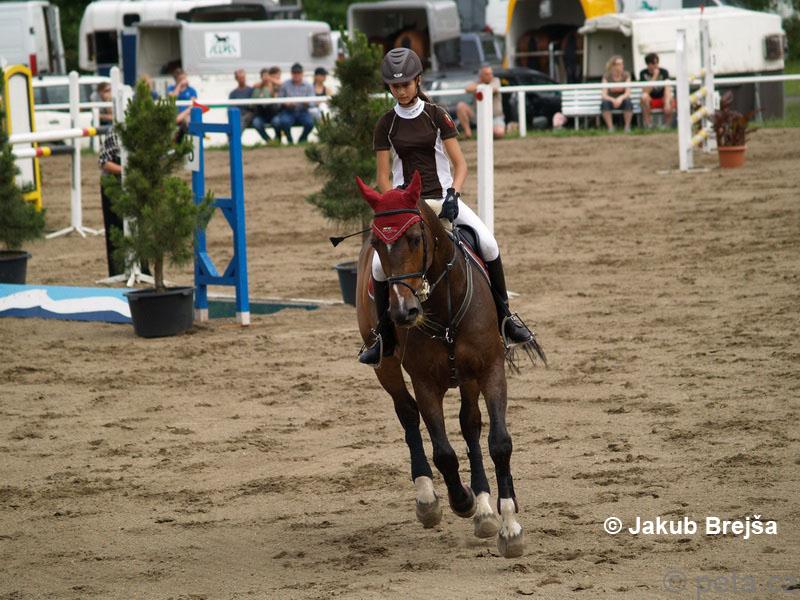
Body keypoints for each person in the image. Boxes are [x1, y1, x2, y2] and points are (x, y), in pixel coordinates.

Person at [359, 48, 534, 366]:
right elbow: (383, 177)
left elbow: (460, 164)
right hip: (407, 209)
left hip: (441, 199)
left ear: (417, 81)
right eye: (395, 87)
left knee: (489, 244)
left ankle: (506, 318)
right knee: (377, 268)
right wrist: (396, 204)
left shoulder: (437, 115)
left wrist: (454, 193)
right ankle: (384, 336)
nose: (401, 91)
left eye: (405, 85)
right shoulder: (386, 123)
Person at [97, 129, 124, 277]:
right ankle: (117, 271)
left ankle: (142, 268)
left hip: (134, 184)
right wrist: (125, 170)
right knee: (115, 228)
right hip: (113, 184)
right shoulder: (114, 132)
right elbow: (103, 162)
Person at [455, 64, 505, 139]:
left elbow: (492, 89)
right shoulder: (478, 82)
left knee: (499, 133)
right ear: (481, 76)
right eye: (487, 74)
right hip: (478, 115)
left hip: (495, 117)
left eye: (491, 73)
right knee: (461, 106)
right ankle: (468, 133)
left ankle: (487, 133)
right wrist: (480, 85)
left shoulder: (496, 80)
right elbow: (468, 88)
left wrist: (479, 87)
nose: (490, 76)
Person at [271, 63, 315, 144]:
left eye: (298, 73)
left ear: (302, 73)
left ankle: (302, 140)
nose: (296, 75)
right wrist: (286, 103)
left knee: (310, 123)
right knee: (284, 122)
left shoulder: (308, 85)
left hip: (303, 111)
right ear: (291, 73)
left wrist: (307, 103)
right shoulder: (285, 84)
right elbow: (279, 100)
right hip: (288, 111)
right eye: (294, 73)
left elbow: (312, 102)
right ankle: (290, 140)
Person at [229, 68, 271, 143]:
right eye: (240, 78)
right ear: (236, 79)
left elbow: (255, 106)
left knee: (253, 122)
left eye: (243, 77)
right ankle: (234, 142)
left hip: (250, 116)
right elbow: (231, 108)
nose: (242, 80)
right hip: (239, 117)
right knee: (239, 121)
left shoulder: (252, 90)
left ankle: (234, 142)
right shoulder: (233, 93)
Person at [639, 52, 674, 128]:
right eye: (654, 63)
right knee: (644, 97)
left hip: (662, 96)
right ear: (648, 64)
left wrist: (667, 102)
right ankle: (648, 125)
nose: (656, 65)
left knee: (670, 99)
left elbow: (667, 87)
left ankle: (667, 126)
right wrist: (654, 77)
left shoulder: (664, 72)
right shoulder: (643, 73)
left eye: (657, 62)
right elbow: (645, 91)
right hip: (650, 97)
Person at [600, 55, 633, 133]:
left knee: (628, 102)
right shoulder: (607, 76)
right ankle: (610, 128)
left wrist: (620, 98)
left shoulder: (626, 75)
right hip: (610, 100)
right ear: (613, 66)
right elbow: (604, 94)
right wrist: (613, 100)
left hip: (623, 99)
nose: (622, 66)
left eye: (622, 64)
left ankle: (627, 127)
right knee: (605, 103)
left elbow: (628, 92)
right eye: (619, 64)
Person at [252, 66, 281, 141]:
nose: (266, 78)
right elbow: (253, 103)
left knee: (277, 122)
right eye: (264, 76)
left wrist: (270, 84)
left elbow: (281, 84)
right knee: (256, 123)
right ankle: (269, 141)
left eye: (267, 76)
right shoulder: (257, 88)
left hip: (273, 114)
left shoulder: (275, 86)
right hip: (261, 115)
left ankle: (278, 139)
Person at [167, 69, 196, 139]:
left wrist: (181, 116)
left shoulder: (191, 90)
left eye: (185, 78)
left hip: (186, 116)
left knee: (187, 119)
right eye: (181, 79)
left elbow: (192, 105)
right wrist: (179, 85)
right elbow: (172, 98)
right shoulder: (171, 88)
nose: (184, 80)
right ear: (176, 79)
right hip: (174, 114)